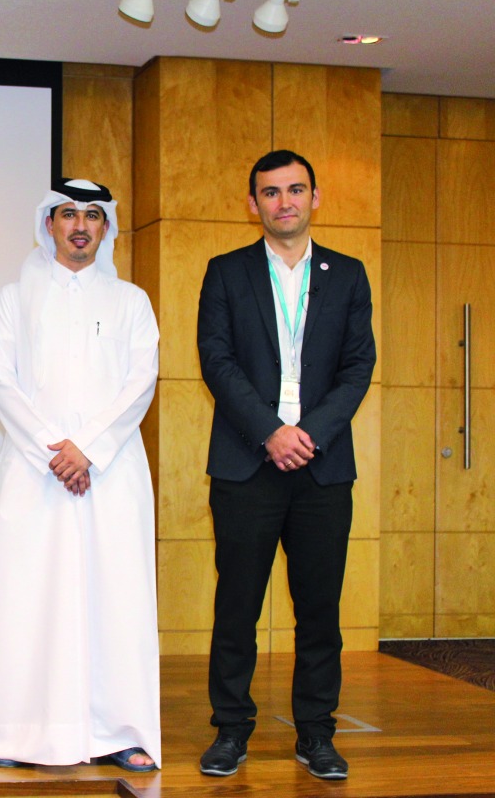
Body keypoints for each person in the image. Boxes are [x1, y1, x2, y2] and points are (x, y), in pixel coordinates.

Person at [196, 150, 376, 781]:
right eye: (270, 193)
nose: (284, 202)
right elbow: (216, 361)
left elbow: (358, 370)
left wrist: (308, 435)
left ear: (315, 197)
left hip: (323, 469)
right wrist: (272, 432)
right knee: (236, 606)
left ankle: (317, 734)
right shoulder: (225, 272)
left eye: (296, 190)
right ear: (253, 205)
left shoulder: (349, 275)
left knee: (320, 611)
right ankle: (231, 731)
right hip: (247, 463)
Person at [0, 179, 161, 772]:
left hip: (111, 476)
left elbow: (141, 383)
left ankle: (121, 732)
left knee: (117, 601)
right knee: (31, 601)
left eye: (92, 216)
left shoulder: (132, 301)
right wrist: (53, 452)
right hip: (37, 478)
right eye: (67, 214)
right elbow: (1, 384)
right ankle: (22, 734)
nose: (80, 225)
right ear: (49, 224)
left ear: (105, 228)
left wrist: (89, 450)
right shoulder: (13, 299)